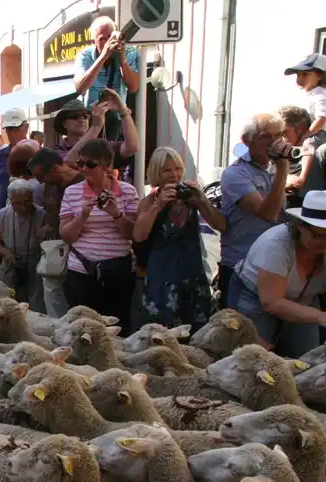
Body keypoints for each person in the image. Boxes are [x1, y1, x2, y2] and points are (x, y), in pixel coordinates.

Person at [133, 147, 225, 329]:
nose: (174, 174)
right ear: (156, 172)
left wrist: (202, 200)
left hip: (192, 275)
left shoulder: (191, 198)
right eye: (167, 170)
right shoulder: (149, 202)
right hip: (162, 278)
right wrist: (158, 205)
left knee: (195, 334)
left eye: (178, 168)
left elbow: (221, 225)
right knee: (161, 333)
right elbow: (138, 235)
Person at [231, 191, 326, 358]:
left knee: (306, 359)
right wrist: (320, 316)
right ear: (301, 226)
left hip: (304, 299)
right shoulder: (275, 244)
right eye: (319, 235)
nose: (324, 242)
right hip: (255, 297)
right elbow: (272, 302)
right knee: (256, 358)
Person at [59, 138, 139, 325]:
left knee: (117, 326)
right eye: (80, 163)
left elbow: (134, 234)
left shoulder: (128, 191)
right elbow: (66, 235)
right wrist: (82, 216)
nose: (84, 169)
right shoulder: (71, 192)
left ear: (107, 166)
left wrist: (116, 213)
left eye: (90, 164)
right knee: (81, 326)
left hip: (117, 271)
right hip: (81, 270)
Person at [219, 113, 291, 309]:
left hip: (271, 263)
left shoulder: (275, 168)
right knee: (235, 326)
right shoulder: (235, 173)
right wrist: (283, 170)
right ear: (247, 140)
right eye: (266, 136)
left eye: (278, 136)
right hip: (239, 265)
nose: (274, 143)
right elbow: (268, 215)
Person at [28, 148, 86, 318]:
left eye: (42, 177)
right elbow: (49, 211)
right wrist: (45, 227)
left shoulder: (81, 184)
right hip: (54, 250)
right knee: (53, 295)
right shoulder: (50, 187)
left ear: (55, 168)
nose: (41, 182)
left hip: (78, 250)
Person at [73, 15, 140, 141]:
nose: (108, 42)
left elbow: (133, 87)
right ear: (93, 42)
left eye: (111, 37)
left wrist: (122, 59)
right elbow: (80, 88)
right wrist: (103, 56)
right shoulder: (85, 55)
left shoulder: (129, 52)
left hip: (117, 118)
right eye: (102, 39)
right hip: (91, 117)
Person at [54, 93, 139, 185]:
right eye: (75, 116)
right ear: (64, 124)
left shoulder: (102, 146)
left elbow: (132, 147)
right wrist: (96, 126)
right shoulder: (55, 151)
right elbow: (69, 162)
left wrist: (124, 112)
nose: (82, 120)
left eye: (86, 116)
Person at [0, 179, 44, 311]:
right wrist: (7, 253)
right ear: (10, 200)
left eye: (27, 202)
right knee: (7, 295)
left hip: (35, 259)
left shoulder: (42, 214)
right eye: (18, 203)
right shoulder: (3, 214)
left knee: (37, 297)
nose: (24, 207)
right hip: (12, 259)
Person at [285, 54, 326, 199]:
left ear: (319, 76)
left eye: (305, 74)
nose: (300, 78)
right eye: (298, 75)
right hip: (307, 131)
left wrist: (305, 135)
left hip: (318, 133)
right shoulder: (305, 94)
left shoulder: (321, 95)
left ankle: (302, 178)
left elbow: (321, 118)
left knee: (308, 145)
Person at [0, 108, 29, 209]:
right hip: (4, 213)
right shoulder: (1, 155)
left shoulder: (37, 153)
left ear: (26, 127)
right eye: (9, 130)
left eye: (16, 129)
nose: (12, 134)